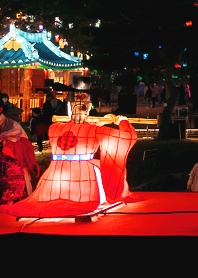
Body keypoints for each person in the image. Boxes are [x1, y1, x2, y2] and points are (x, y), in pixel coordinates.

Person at [0, 78, 139, 218]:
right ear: (89, 108)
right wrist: (123, 122)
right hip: (84, 178)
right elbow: (126, 137)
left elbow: (79, 127)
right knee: (97, 173)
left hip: (55, 178)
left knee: (48, 199)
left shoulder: (55, 128)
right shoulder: (95, 130)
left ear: (68, 108)